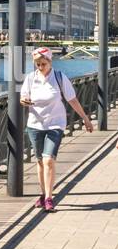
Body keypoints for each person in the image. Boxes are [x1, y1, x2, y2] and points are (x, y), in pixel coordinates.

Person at [20, 45, 93, 211]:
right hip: (35, 125)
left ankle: (49, 198)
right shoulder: (31, 78)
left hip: (55, 124)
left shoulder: (60, 78)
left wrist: (86, 119)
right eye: (37, 64)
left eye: (43, 64)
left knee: (48, 160)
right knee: (39, 161)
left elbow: (72, 100)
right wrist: (24, 101)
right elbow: (23, 97)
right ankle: (42, 192)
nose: (40, 67)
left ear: (50, 62)